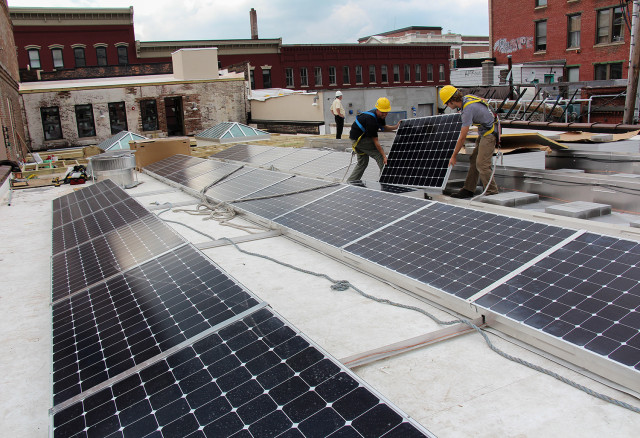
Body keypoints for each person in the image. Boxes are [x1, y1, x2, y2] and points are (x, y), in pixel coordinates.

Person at [440, 85, 499, 198]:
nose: (447, 106)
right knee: (474, 159)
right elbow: (484, 102)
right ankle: (468, 189)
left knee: (482, 164)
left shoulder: (467, 110)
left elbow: (462, 137)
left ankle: (492, 192)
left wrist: (454, 156)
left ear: (451, 101)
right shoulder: (468, 98)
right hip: (485, 132)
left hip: (489, 134)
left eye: (447, 103)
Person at [347, 97, 400, 182]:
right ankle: (385, 181)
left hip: (356, 139)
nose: (385, 114)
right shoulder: (371, 120)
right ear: (378, 109)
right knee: (380, 155)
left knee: (363, 163)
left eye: (386, 112)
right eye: (383, 112)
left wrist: (396, 126)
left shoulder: (379, 116)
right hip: (360, 140)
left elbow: (384, 127)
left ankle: (350, 182)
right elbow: (375, 141)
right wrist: (384, 156)